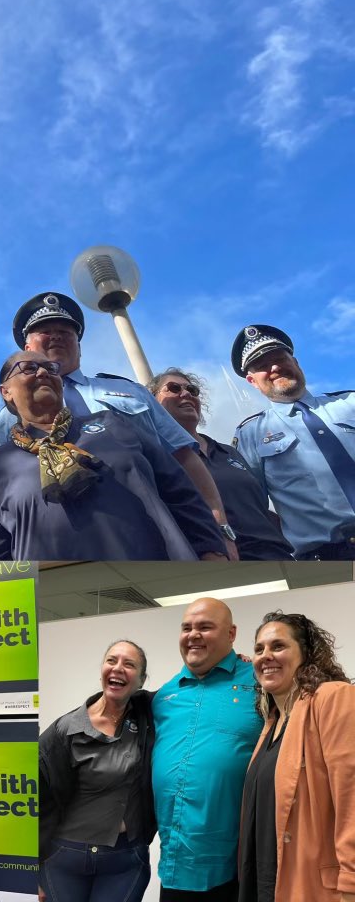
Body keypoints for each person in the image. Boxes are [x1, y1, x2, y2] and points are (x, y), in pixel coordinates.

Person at [0, 292, 237, 557]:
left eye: (65, 331)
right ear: (26, 349)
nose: (57, 336)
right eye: (46, 331)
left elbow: (184, 458)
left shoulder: (131, 392)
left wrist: (218, 529)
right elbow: (2, 494)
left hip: (157, 535)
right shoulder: (9, 420)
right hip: (63, 545)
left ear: (79, 346)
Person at [0, 351, 226, 560]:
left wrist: (212, 550)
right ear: (5, 391)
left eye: (50, 368)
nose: (43, 373)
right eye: (28, 368)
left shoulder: (114, 423)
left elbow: (179, 490)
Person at [151, 598, 264, 901]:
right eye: (186, 627)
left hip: (235, 866)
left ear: (231, 634)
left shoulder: (261, 683)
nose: (193, 634)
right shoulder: (164, 696)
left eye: (205, 627)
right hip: (174, 862)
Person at [240, 610, 355, 902]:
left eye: (278, 646)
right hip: (267, 881)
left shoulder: (333, 697)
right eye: (259, 649)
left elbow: (351, 797)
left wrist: (351, 884)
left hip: (315, 888)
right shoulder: (272, 721)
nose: (266, 655)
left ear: (305, 653)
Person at [39, 640, 156, 902]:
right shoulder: (65, 730)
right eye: (111, 660)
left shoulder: (147, 715)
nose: (118, 668)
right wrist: (32, 871)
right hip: (64, 859)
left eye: (129, 664)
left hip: (124, 860)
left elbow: (187, 691)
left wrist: (235, 663)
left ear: (141, 680)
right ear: (102, 669)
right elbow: (35, 799)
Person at [231, 324, 355, 559]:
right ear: (252, 381)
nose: (275, 367)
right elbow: (252, 508)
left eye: (279, 358)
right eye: (262, 366)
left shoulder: (350, 403)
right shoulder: (250, 434)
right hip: (331, 558)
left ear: (296, 363)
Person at [149, 368, 293, 559]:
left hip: (277, 554)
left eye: (192, 390)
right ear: (152, 402)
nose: (185, 394)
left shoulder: (230, 451)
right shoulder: (157, 457)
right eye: (174, 388)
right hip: (222, 559)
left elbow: (259, 507)